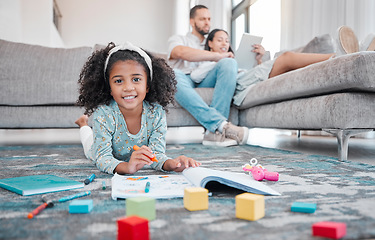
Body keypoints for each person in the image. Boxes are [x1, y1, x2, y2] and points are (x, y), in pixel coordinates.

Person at [75, 42, 201, 175]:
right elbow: (103, 158)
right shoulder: (104, 113)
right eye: (118, 81)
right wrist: (128, 167)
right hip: (96, 148)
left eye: (136, 79)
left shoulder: (156, 113)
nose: (128, 88)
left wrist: (173, 164)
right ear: (109, 89)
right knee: (88, 142)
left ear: (148, 85)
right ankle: (83, 123)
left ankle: (84, 123)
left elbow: (156, 155)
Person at [194, 28, 364, 106]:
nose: (224, 43)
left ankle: (355, 56)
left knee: (290, 66)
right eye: (219, 40)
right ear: (210, 43)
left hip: (248, 77)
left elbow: (248, 73)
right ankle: (340, 57)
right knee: (286, 58)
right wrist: (220, 57)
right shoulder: (208, 61)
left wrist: (259, 59)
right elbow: (196, 76)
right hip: (240, 85)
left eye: (226, 40)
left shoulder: (233, 60)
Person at [167, 5, 249, 147]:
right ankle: (219, 126)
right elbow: (179, 52)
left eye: (209, 19)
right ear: (192, 22)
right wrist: (217, 55)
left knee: (229, 63)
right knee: (173, 75)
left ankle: (214, 133)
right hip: (185, 78)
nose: (207, 23)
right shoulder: (180, 39)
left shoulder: (215, 41)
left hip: (207, 79)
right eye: (202, 19)